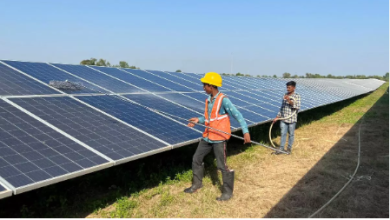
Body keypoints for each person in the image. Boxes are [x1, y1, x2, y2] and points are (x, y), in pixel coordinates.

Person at [184, 72, 251, 201]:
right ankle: (197, 184)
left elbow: (237, 115)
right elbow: (210, 118)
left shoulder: (223, 100)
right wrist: (198, 120)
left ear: (211, 86)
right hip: (207, 137)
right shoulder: (209, 100)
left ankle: (227, 192)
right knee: (196, 159)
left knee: (222, 165)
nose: (203, 87)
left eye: (205, 85)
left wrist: (245, 131)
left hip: (219, 138)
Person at [273, 81, 301, 155]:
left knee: (291, 134)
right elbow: (282, 107)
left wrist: (289, 100)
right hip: (283, 119)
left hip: (292, 119)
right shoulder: (285, 95)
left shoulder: (297, 96)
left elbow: (297, 107)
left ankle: (288, 149)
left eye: (289, 87)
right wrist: (277, 117)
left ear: (294, 88)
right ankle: (281, 149)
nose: (287, 89)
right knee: (283, 133)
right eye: (287, 87)